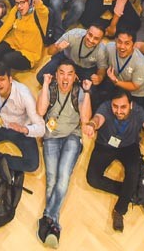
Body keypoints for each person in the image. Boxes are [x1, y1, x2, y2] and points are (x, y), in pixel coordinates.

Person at [83, 90, 144, 232]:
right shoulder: (105, 107)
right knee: (92, 179)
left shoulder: (138, 111)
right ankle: (132, 193)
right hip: (105, 145)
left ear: (130, 105)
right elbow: (98, 119)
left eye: (123, 107)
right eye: (115, 106)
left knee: (133, 173)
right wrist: (91, 125)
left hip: (129, 146)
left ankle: (120, 210)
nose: (118, 111)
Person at [36, 59, 92, 247]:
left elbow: (85, 120)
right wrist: (44, 84)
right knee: (52, 179)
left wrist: (87, 92)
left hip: (72, 137)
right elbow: (41, 110)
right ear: (56, 75)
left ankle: (47, 218)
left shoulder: (79, 93)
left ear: (75, 76)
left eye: (69, 73)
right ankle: (54, 225)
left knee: (63, 178)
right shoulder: (49, 89)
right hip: (51, 137)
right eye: (61, 73)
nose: (65, 77)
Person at [0, 0, 49, 71]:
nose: (19, 6)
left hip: (29, 53)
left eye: (23, 2)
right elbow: (4, 29)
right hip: (13, 42)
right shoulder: (15, 10)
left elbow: (44, 11)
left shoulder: (39, 14)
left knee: (6, 59)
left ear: (30, 2)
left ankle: (0, 79)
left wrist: (37, 2)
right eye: (17, 3)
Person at [38, 24, 106, 84]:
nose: (91, 40)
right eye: (90, 35)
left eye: (96, 38)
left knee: (90, 92)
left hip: (86, 69)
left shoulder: (102, 51)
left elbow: (102, 69)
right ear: (86, 31)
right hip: (66, 58)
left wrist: (100, 77)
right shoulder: (72, 35)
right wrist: (57, 47)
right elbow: (49, 52)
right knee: (41, 78)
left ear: (101, 40)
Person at [95, 30, 144, 105]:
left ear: (133, 45)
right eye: (119, 42)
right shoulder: (109, 47)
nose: (122, 47)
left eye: (127, 43)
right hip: (116, 84)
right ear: (115, 41)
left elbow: (134, 86)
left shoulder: (141, 63)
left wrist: (116, 81)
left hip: (135, 94)